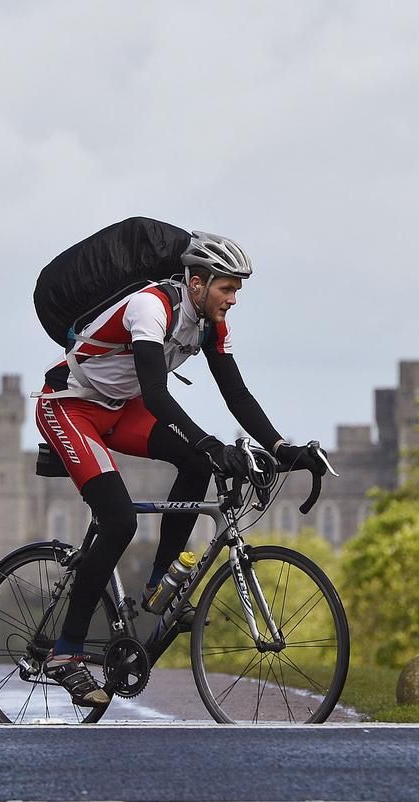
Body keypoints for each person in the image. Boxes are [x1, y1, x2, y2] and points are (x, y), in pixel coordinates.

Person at [33, 220, 326, 707]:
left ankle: (158, 584)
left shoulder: (212, 324)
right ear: (197, 282)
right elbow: (155, 391)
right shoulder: (151, 307)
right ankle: (66, 652)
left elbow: (235, 392)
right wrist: (211, 442)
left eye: (237, 290)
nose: (233, 298)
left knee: (196, 464)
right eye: (227, 288)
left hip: (119, 407)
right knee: (120, 520)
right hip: (70, 406)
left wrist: (281, 447)